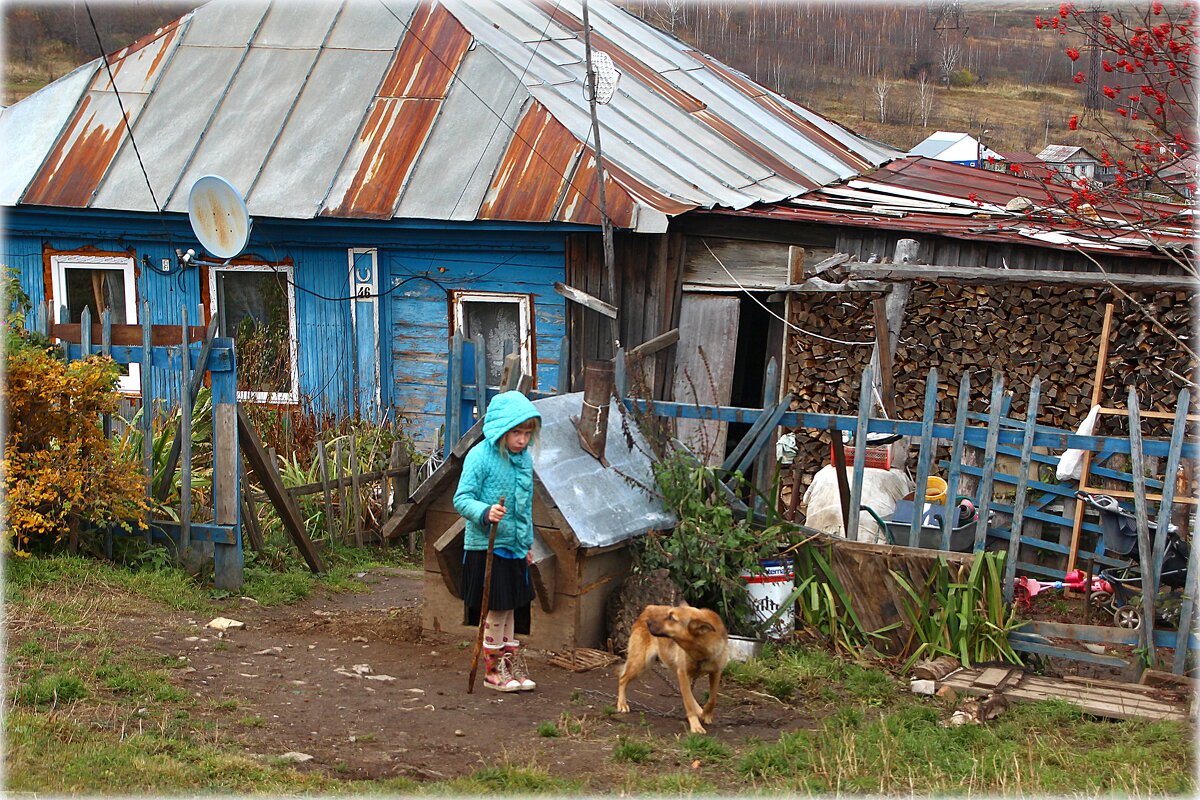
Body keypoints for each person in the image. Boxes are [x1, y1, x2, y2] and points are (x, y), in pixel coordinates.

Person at [453, 390, 541, 692]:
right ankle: (493, 671)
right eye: (517, 432)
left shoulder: (523, 460)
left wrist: (527, 544)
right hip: (486, 546)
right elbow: (461, 499)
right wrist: (485, 511)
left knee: (512, 607)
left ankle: (510, 666)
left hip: (514, 547)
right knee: (495, 608)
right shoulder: (480, 457)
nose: (522, 440)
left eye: (528, 433)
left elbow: (526, 507)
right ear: (501, 428)